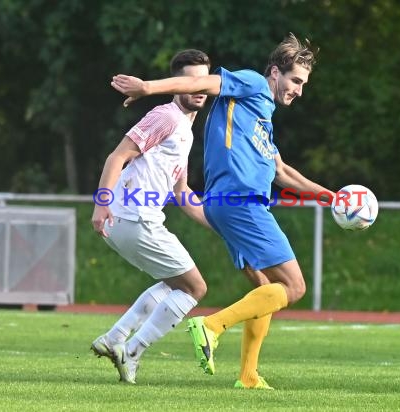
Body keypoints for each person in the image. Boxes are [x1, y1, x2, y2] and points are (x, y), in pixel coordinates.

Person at [111, 33, 336, 390]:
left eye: (303, 84)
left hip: (225, 205)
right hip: (242, 202)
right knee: (293, 287)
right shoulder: (252, 84)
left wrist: (332, 198)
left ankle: (248, 375)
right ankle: (211, 326)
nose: (299, 90)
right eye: (295, 80)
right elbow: (201, 82)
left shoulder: (262, 117)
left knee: (263, 288)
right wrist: (147, 87)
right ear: (275, 72)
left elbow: (282, 173)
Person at [90, 49, 212, 384]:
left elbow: (182, 193)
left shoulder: (185, 129)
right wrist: (101, 205)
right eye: (189, 80)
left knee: (175, 284)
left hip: (132, 219)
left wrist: (219, 224)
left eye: (203, 80)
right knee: (195, 288)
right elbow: (116, 158)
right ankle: (132, 351)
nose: (199, 87)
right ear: (175, 84)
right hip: (133, 217)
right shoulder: (167, 117)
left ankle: (115, 339)